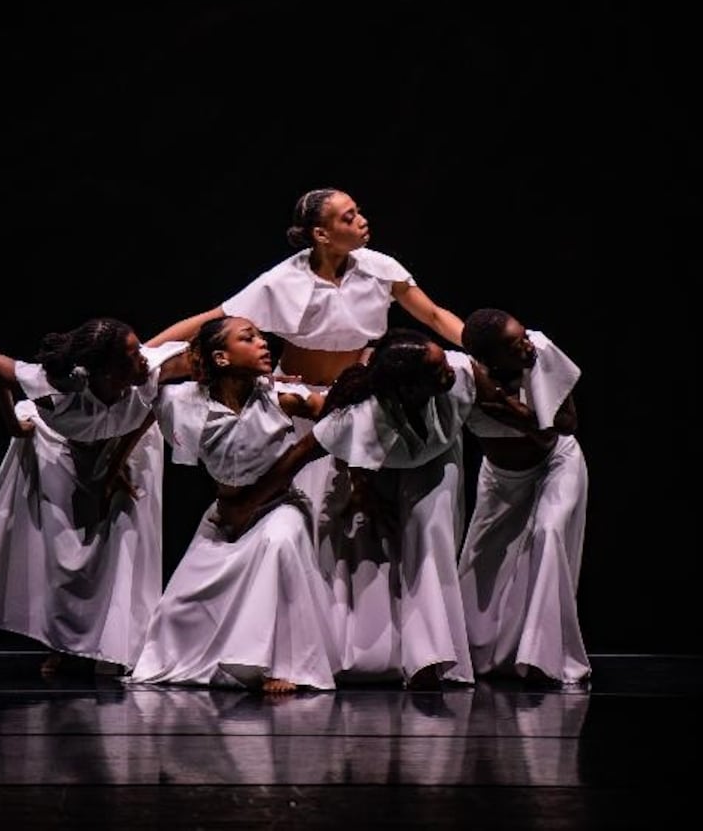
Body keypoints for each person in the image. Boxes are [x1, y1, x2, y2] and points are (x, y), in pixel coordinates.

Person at [145, 188, 466, 678]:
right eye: (348, 216)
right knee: (317, 530)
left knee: (364, 528)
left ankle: (372, 650)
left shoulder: (379, 267)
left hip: (355, 403)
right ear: (321, 233)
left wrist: (482, 344)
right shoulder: (285, 279)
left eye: (359, 211)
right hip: (305, 406)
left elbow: (436, 316)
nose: (362, 221)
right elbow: (210, 321)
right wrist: (143, 356)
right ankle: (299, 652)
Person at [216, 327, 487, 688]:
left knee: (429, 532)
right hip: (383, 463)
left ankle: (433, 657)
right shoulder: (360, 414)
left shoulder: (460, 372)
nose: (449, 371)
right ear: (406, 387)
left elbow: (498, 399)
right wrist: (247, 504)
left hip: (437, 459)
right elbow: (298, 456)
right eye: (436, 370)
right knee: (365, 538)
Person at [0, 317, 191, 676]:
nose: (144, 356)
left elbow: (165, 397)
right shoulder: (57, 385)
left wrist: (113, 466)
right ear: (105, 370)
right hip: (60, 449)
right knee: (65, 552)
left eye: (140, 348)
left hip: (125, 448)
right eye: (131, 354)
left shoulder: (151, 370)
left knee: (122, 541)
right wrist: (13, 427)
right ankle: (63, 643)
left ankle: (117, 645)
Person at [129, 315, 340, 692]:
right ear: (221, 358)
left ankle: (281, 663)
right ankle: (207, 656)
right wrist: (114, 464)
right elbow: (143, 385)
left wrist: (361, 484)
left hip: (279, 506)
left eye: (261, 337)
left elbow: (341, 421)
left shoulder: (282, 399)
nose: (263, 344)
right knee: (181, 606)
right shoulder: (181, 402)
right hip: (225, 513)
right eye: (249, 338)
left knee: (278, 544)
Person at [455, 308, 590, 687]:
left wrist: (514, 412)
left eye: (523, 334)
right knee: (480, 563)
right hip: (500, 480)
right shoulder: (466, 378)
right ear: (488, 358)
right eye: (514, 345)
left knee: (548, 535)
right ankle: (480, 655)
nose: (526, 345)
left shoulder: (541, 350)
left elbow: (563, 425)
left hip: (555, 465)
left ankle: (544, 658)